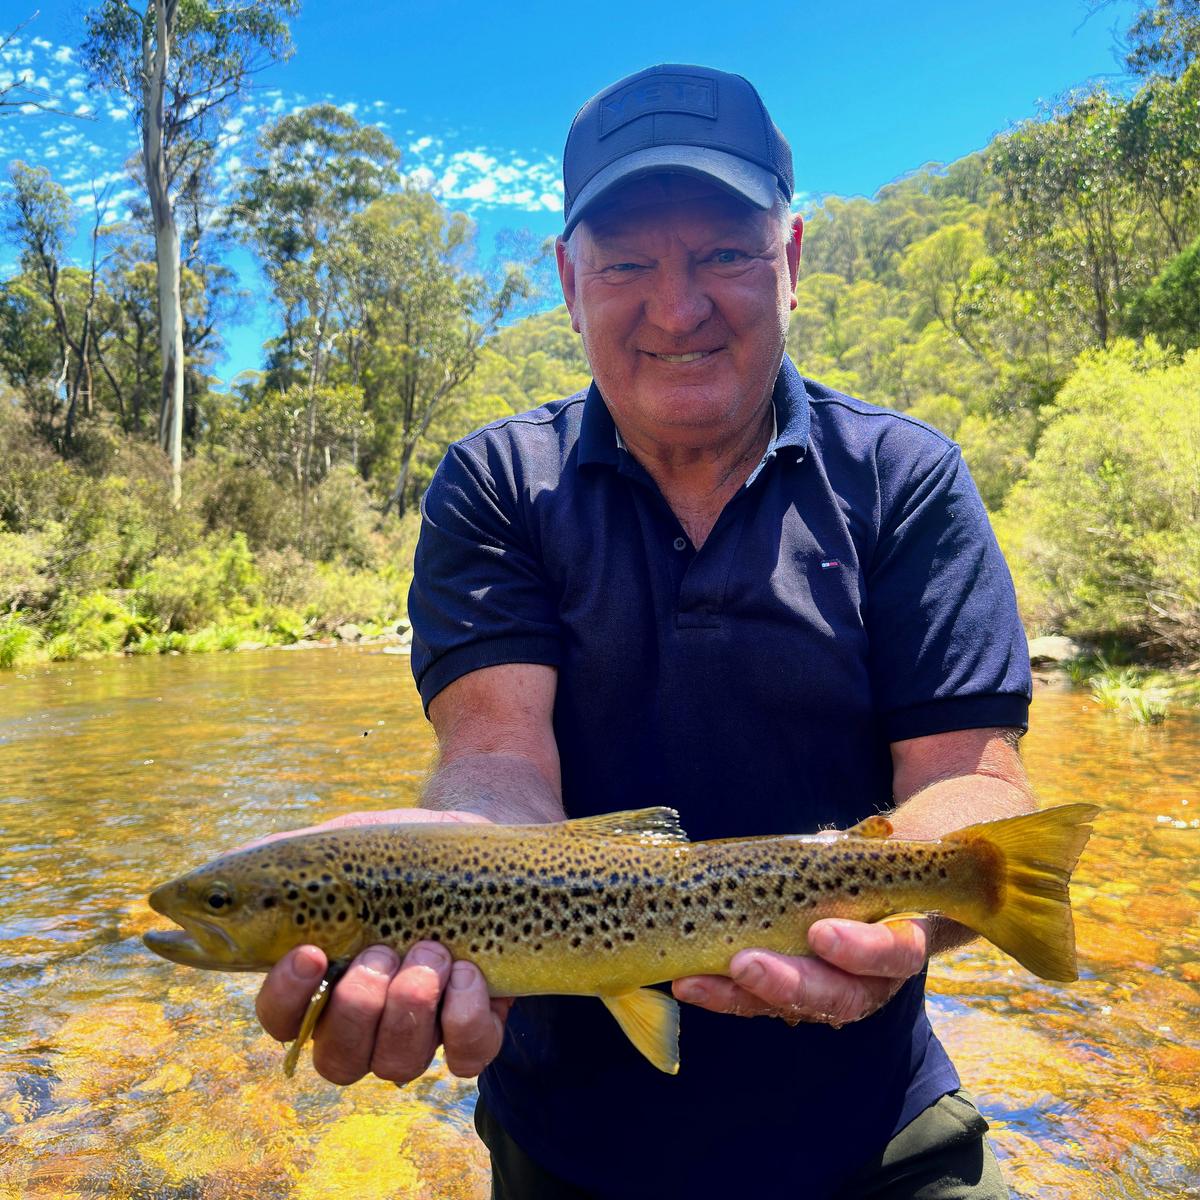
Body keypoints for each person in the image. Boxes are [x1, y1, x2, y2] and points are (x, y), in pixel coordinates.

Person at [254, 64, 1033, 1199]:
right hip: (569, 1151)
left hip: (877, 1136)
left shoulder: (905, 478)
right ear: (571, 280)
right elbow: (497, 762)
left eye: (724, 251)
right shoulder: (495, 485)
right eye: (626, 264)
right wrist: (419, 865)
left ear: (793, 260)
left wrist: (920, 920)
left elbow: (974, 784)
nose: (677, 307)